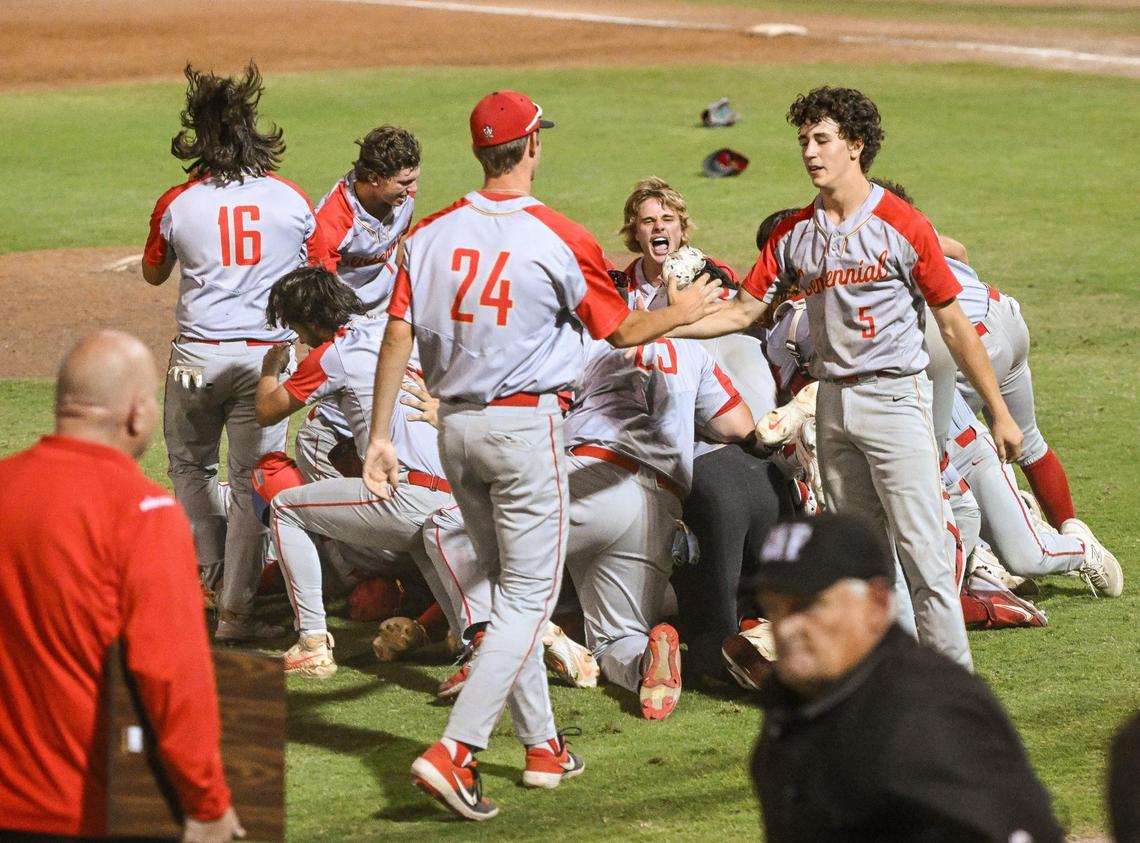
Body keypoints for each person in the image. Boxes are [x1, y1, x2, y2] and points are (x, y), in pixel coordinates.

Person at [361, 89, 723, 820]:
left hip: (455, 431)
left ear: (477, 152)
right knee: (527, 597)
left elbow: (397, 335)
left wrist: (379, 435)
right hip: (523, 432)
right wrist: (680, 314)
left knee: (503, 589)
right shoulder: (556, 234)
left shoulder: (428, 232)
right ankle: (455, 751)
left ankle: (541, 744)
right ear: (532, 147)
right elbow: (620, 331)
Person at [675, 85, 1024, 670]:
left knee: (926, 555)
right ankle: (897, 681)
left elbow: (955, 324)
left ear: (856, 146)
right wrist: (661, 326)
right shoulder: (794, 237)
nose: (810, 152)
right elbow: (743, 310)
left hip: (894, 399)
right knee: (865, 565)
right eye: (803, 140)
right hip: (832, 409)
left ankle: (953, 694)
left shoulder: (901, 223)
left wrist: (1002, 412)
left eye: (823, 139)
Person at [0, 331, 242, 842]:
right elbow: (171, 672)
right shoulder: (142, 512)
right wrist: (208, 802)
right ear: (136, 413)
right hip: (75, 809)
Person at [142, 62, 329, 642]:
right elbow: (319, 272)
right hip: (266, 362)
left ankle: (210, 573)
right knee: (253, 478)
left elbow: (153, 272)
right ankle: (235, 614)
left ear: (198, 135)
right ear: (254, 131)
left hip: (196, 361)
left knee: (189, 468)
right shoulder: (292, 199)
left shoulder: (178, 201)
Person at [749, 514, 1064, 842]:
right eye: (773, 608)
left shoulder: (927, 712)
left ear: (876, 601)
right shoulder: (789, 705)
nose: (785, 628)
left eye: (806, 606)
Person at [253, 266, 453, 677]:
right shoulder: (396, 330)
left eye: (297, 327)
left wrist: (270, 370)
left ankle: (312, 642)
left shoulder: (334, 354)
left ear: (310, 319)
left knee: (287, 508)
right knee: (473, 622)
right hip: (454, 495)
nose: (301, 338)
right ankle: (542, 638)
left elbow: (266, 410)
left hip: (403, 493)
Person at [296, 126, 422, 485]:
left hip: (384, 311)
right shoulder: (333, 220)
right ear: (375, 178)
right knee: (352, 399)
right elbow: (320, 292)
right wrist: (334, 338)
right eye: (402, 182)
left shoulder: (402, 197)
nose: (410, 189)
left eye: (413, 179)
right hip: (344, 316)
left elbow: (398, 245)